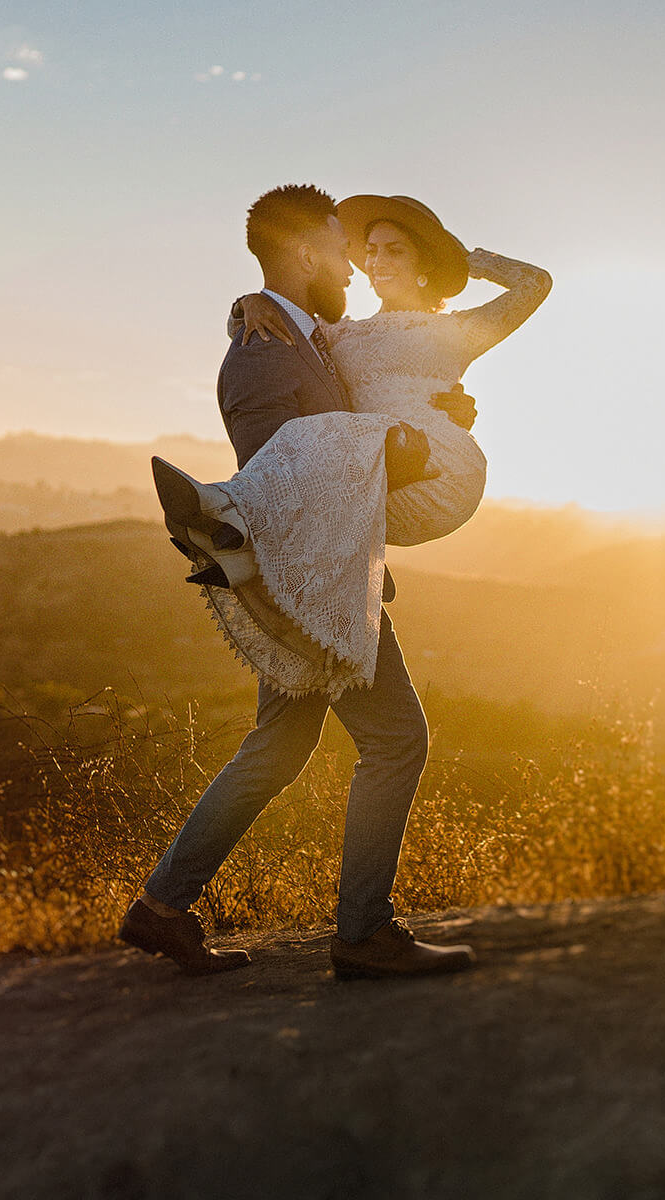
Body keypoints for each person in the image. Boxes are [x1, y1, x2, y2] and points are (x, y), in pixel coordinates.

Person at [120, 184, 545, 980]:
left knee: (279, 744)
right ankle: (363, 934)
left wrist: (436, 413)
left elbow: (370, 389)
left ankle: (161, 908)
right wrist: (400, 452)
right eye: (341, 247)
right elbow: (280, 467)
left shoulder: (299, 334)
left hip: (316, 571)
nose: (355, 263)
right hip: (310, 580)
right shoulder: (263, 347)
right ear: (309, 253)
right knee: (395, 741)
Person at [156, 190, 551, 698]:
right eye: (371, 249)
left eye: (396, 250)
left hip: (436, 469)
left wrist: (465, 260)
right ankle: (239, 535)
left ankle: (229, 511)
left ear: (425, 262)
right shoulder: (340, 334)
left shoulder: (457, 332)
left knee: (319, 438)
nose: (376, 260)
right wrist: (245, 303)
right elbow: (284, 326)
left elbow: (535, 283)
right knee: (313, 440)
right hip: (375, 465)